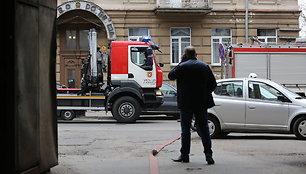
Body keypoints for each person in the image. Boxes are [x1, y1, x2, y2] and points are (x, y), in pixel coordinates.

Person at [168, 46, 217, 165]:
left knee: (185, 130)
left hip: (186, 103)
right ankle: (208, 154)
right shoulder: (204, 66)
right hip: (201, 103)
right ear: (196, 54)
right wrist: (204, 93)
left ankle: (185, 155)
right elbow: (213, 84)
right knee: (204, 129)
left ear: (185, 55)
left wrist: (181, 62)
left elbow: (170, 76)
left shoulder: (182, 66)